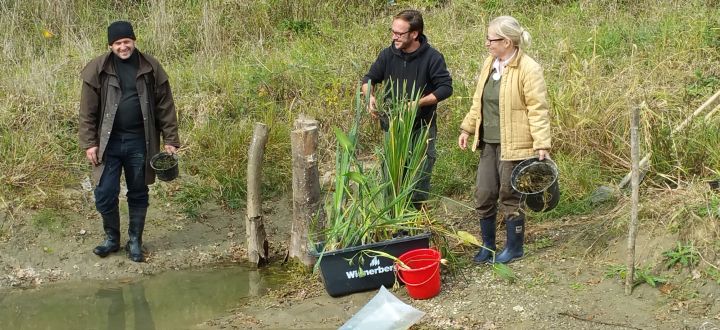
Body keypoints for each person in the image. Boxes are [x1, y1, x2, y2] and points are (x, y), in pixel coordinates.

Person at [79, 21, 180, 262]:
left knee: (138, 191)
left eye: (126, 41)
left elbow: (165, 105)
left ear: (133, 41)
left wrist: (171, 139)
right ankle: (112, 239)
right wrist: (89, 143)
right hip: (108, 143)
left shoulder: (151, 67)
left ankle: (135, 241)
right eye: (118, 43)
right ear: (110, 45)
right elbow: (87, 112)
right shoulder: (97, 69)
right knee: (104, 192)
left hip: (140, 141)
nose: (123, 46)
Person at [458, 16, 551, 264]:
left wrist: (541, 144)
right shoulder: (490, 63)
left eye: (491, 39)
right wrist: (467, 128)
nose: (487, 44)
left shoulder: (529, 69)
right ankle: (487, 245)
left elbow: (538, 109)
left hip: (516, 143)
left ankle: (514, 248)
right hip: (489, 142)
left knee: (510, 195)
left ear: (507, 42)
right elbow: (478, 101)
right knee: (484, 192)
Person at [361, 9, 453, 209]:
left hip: (421, 126)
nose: (394, 36)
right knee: (392, 175)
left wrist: (417, 103)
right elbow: (369, 78)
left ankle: (415, 217)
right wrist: (370, 97)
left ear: (414, 34)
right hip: (392, 126)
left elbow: (445, 88)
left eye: (399, 33)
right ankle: (392, 213)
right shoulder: (388, 54)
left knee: (419, 173)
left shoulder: (432, 57)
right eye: (393, 31)